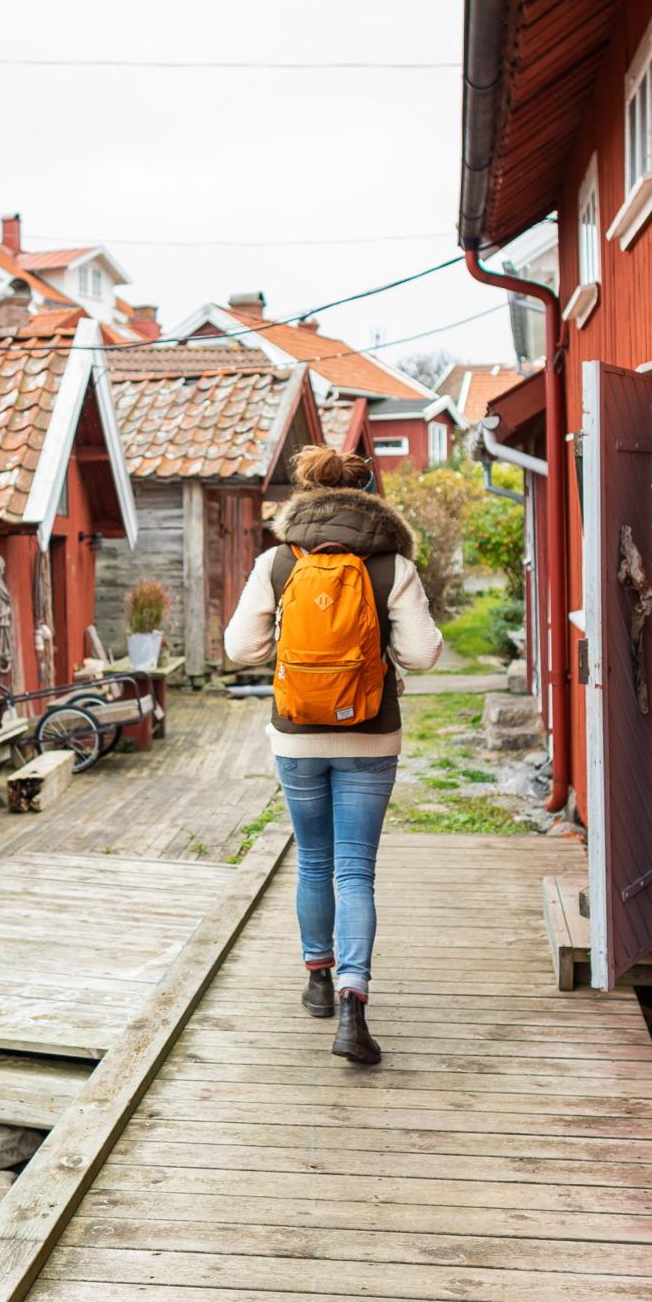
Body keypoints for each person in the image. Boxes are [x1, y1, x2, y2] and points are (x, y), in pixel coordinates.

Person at [223, 445, 444, 1064]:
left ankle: (317, 981)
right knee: (355, 870)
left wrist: (293, 652)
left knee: (313, 861)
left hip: (296, 735)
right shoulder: (392, 565)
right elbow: (424, 654)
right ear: (368, 496)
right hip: (372, 735)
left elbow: (240, 647)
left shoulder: (275, 561)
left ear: (306, 497)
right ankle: (353, 1006)